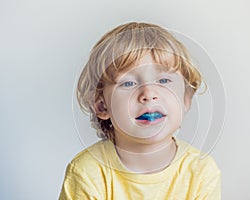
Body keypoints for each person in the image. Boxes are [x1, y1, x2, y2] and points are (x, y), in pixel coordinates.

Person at [59, 22, 221, 200]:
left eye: (164, 80)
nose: (149, 94)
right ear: (102, 106)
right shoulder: (87, 172)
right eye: (128, 83)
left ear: (185, 99)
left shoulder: (201, 171)